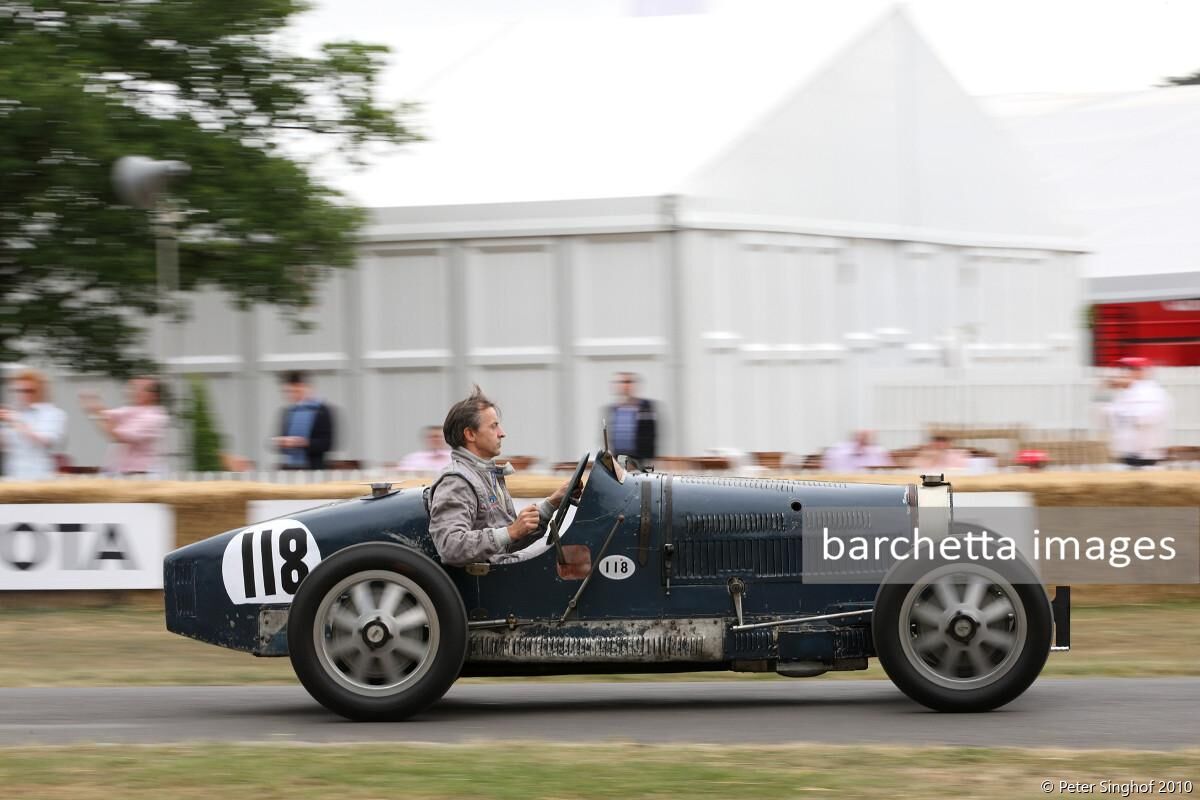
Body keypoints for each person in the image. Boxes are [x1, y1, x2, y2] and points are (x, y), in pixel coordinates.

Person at [424, 386, 574, 566]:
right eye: (493, 426)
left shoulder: (484, 475)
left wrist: (551, 505)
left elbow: (506, 543)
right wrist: (510, 531)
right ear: (470, 434)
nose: (502, 433)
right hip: (486, 582)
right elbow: (451, 547)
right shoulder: (456, 481)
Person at [80, 376, 168, 476]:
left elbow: (117, 436)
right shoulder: (133, 410)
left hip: (142, 474)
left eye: (137, 389)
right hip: (126, 473)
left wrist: (95, 413)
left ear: (152, 395)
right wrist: (94, 407)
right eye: (132, 388)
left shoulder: (153, 418)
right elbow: (105, 414)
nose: (131, 392)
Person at [0, 368, 67, 480]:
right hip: (13, 475)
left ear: (40, 391)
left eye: (29, 391)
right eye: (18, 391)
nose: (23, 395)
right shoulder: (13, 413)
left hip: (39, 477)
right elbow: (4, 446)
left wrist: (15, 421)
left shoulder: (53, 414)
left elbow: (45, 441)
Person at [1106, 356, 1172, 468]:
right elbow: (1112, 416)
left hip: (1146, 457)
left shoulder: (1153, 392)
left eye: (1128, 370)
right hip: (1125, 454)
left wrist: (1125, 414)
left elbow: (1147, 417)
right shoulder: (1125, 393)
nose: (1123, 374)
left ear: (1141, 372)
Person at [273, 371, 335, 470]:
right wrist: (281, 442)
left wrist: (302, 443)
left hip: (314, 468)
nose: (294, 395)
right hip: (291, 467)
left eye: (297, 390)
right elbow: (280, 444)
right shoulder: (288, 412)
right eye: (290, 391)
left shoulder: (322, 411)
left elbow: (328, 444)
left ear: (307, 389)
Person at [605, 371, 657, 464]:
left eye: (628, 382)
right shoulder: (613, 409)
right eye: (622, 383)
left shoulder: (645, 407)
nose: (625, 386)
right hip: (618, 460)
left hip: (639, 461)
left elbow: (651, 436)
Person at [822, 430, 893, 472]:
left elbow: (889, 470)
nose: (861, 441)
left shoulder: (878, 452)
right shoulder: (838, 452)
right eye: (859, 438)